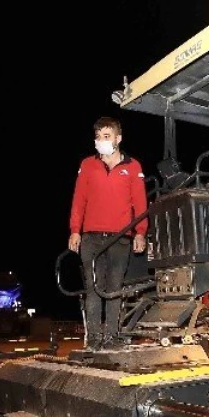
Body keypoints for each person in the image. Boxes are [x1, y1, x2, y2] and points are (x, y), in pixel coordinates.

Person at [67, 116, 149, 351]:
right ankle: (93, 338)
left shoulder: (133, 166)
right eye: (98, 137)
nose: (101, 141)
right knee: (93, 289)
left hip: (120, 238)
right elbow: (78, 200)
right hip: (91, 237)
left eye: (106, 136)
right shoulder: (87, 165)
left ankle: (111, 338)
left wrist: (140, 233)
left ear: (118, 138)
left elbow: (140, 204)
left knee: (114, 289)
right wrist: (75, 231)